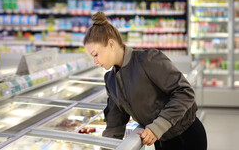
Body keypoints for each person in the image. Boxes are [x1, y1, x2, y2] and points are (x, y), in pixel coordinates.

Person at [83, 11, 207, 150]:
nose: (94, 61)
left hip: (187, 136)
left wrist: (157, 127)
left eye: (96, 54)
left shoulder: (147, 59)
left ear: (111, 44)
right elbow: (115, 122)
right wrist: (107, 147)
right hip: (162, 140)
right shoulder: (111, 80)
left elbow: (184, 92)